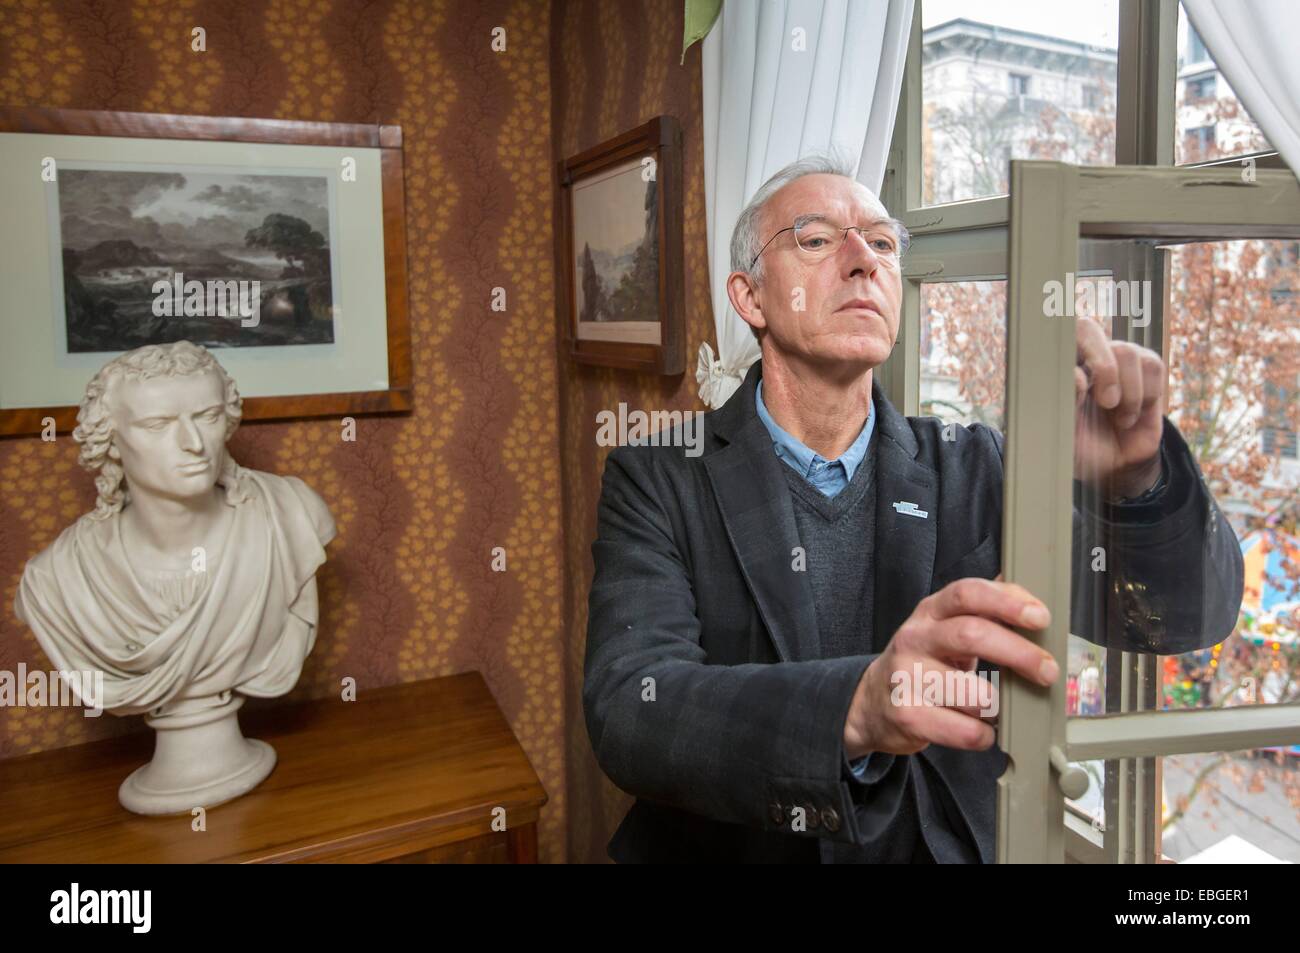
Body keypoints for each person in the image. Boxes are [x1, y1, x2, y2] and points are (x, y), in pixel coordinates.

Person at [582, 155, 1244, 863]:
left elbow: (1180, 617)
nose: (864, 259)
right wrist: (857, 706)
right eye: (815, 239)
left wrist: (1136, 482)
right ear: (750, 298)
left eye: (884, 243)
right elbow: (632, 710)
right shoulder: (655, 477)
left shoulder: (973, 463)